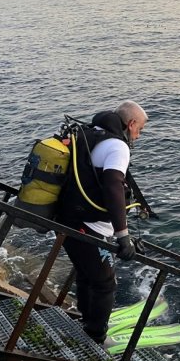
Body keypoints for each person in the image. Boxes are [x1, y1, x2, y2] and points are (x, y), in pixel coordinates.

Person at [56, 100, 148, 342]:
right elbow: (113, 187)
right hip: (89, 226)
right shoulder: (118, 146)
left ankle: (87, 320)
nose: (138, 136)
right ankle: (96, 336)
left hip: (66, 217)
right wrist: (123, 235)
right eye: (140, 130)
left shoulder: (89, 135)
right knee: (105, 283)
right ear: (131, 123)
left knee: (88, 274)